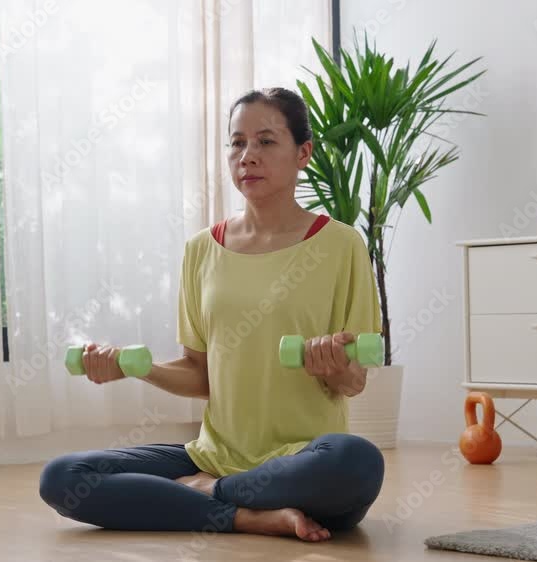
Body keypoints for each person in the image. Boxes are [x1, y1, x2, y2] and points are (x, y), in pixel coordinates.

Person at [38, 87, 385, 542]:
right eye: (237, 143)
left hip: (304, 463)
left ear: (303, 153)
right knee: (63, 477)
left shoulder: (341, 245)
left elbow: (354, 381)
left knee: (356, 462)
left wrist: (334, 367)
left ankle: (210, 495)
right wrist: (131, 366)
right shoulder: (201, 249)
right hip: (213, 456)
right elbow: (200, 374)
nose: (247, 156)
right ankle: (247, 515)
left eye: (265, 141)